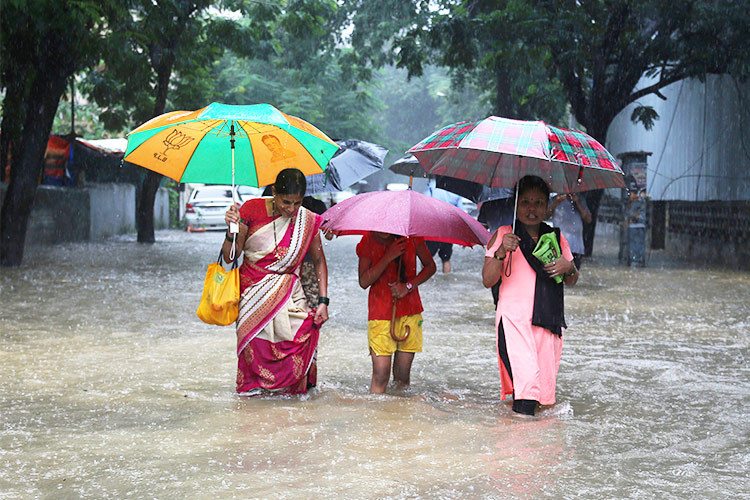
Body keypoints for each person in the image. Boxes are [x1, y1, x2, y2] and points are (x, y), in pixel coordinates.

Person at [223, 168, 329, 395]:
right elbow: (230, 257)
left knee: (298, 343)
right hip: (253, 297)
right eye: (286, 202)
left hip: (291, 295)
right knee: (254, 355)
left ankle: (291, 416)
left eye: (297, 203)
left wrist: (323, 301)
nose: (291, 209)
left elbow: (319, 260)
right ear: (273, 193)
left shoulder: (308, 220)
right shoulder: (250, 209)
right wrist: (231, 230)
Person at [481, 175, 579, 416]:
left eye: (538, 203)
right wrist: (502, 251)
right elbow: (487, 280)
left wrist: (570, 268)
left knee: (543, 399)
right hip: (513, 323)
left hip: (548, 323)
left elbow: (572, 279)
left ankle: (535, 449)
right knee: (525, 394)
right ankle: (518, 449)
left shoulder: (557, 239)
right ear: (515, 204)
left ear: (547, 207)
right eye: (525, 202)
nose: (531, 209)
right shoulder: (503, 235)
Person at [356, 232, 436, 393]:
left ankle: (399, 415)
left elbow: (430, 267)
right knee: (381, 374)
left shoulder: (412, 237)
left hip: (410, 310)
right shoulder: (368, 240)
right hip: (380, 313)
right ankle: (377, 415)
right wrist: (388, 256)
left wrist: (408, 287)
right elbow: (364, 282)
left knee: (402, 375)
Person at [423, 178, 464, 273]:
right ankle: (446, 280)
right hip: (448, 228)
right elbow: (461, 211)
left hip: (433, 227)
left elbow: (426, 202)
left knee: (426, 258)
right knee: (446, 258)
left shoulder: (432, 184)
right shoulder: (456, 187)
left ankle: (425, 280)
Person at [546, 192, 592, 270]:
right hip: (559, 244)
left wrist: (577, 202)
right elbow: (545, 216)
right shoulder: (554, 199)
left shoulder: (579, 199)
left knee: (573, 274)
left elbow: (588, 219)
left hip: (576, 246)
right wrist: (557, 202)